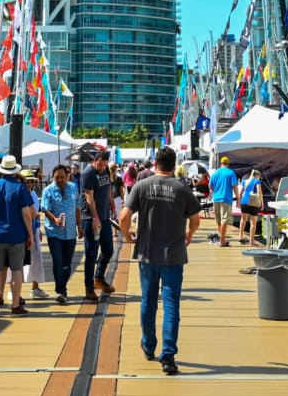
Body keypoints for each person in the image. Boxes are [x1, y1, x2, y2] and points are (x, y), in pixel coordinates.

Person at [119, 145, 202, 376]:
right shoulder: (181, 188)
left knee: (148, 302)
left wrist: (127, 236)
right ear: (174, 165)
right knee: (172, 304)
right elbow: (196, 219)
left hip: (147, 253)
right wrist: (189, 234)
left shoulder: (142, 186)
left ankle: (148, 344)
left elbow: (124, 216)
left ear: (155, 163)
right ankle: (168, 355)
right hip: (174, 255)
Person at [0, 154, 35, 318]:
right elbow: (26, 213)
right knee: (17, 270)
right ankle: (15, 306)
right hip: (17, 234)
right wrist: (30, 234)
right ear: (14, 170)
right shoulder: (20, 188)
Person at [42, 164, 81, 303]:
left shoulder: (73, 188)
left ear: (68, 176)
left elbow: (77, 207)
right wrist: (55, 219)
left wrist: (79, 225)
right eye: (57, 177)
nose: (60, 180)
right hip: (54, 232)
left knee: (67, 262)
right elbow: (45, 209)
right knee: (57, 261)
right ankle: (60, 290)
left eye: (62, 177)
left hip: (70, 232)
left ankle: (63, 286)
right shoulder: (48, 190)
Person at [80, 149, 114, 301]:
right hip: (91, 219)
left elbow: (108, 188)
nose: (101, 167)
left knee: (108, 250)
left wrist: (112, 203)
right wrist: (95, 218)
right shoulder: (88, 173)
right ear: (94, 161)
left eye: (103, 165)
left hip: (105, 217)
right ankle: (89, 288)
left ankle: (99, 277)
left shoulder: (106, 169)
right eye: (98, 164)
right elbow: (89, 197)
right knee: (91, 253)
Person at [23, 172, 50, 299]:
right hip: (20, 230)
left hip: (33, 229)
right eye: (26, 181)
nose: (29, 184)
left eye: (31, 181)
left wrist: (38, 229)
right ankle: (12, 289)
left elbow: (36, 213)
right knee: (15, 262)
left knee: (36, 258)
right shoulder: (19, 194)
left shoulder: (33, 194)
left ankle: (35, 287)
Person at [208, 155, 239, 247]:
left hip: (216, 198)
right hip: (226, 199)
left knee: (219, 220)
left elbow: (210, 186)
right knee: (224, 220)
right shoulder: (231, 173)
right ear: (228, 164)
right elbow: (235, 187)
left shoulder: (215, 173)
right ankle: (222, 241)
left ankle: (222, 240)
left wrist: (216, 191)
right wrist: (238, 198)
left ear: (221, 163)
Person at [238, 168, 264, 246]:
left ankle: (240, 236)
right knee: (253, 223)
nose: (259, 178)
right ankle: (251, 241)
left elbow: (240, 193)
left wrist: (238, 202)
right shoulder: (257, 181)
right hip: (253, 202)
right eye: (259, 176)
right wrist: (262, 203)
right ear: (256, 175)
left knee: (243, 219)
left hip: (244, 201)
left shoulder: (244, 181)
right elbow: (259, 192)